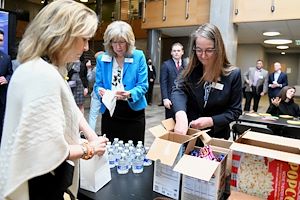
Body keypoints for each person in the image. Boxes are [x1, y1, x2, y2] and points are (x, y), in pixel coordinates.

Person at [0, 1, 108, 199]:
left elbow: (69, 106)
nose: (85, 47)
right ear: (63, 35)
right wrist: (89, 148)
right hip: (40, 184)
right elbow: (47, 150)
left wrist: (90, 133)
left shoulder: (45, 68)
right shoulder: (41, 74)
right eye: (83, 39)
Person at [172, 23, 242, 139]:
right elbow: (178, 90)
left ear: (218, 49)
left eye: (209, 50)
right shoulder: (189, 68)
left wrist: (211, 121)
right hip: (189, 134)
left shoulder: (233, 74)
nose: (203, 56)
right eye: (199, 50)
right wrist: (180, 114)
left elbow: (235, 111)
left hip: (216, 136)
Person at [94, 21, 148, 145]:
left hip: (133, 112)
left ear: (129, 42)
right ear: (109, 43)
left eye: (122, 42)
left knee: (133, 151)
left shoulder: (138, 56)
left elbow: (143, 85)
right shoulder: (102, 59)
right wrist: (100, 92)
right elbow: (98, 85)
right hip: (110, 111)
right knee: (111, 151)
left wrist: (129, 94)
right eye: (114, 42)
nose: (118, 47)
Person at [160, 42, 185, 119]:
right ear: (171, 52)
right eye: (174, 51)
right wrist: (165, 98)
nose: (176, 53)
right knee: (170, 122)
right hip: (170, 99)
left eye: (178, 50)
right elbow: (163, 82)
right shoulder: (166, 65)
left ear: (182, 52)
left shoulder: (187, 64)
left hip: (184, 98)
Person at [0, 30, 13, 143]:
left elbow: (10, 73)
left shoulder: (6, 58)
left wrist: (6, 79)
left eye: (1, 40)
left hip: (1, 96)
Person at [87, 51, 104, 131]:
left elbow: (90, 79)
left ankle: (91, 134)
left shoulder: (96, 68)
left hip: (97, 94)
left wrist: (89, 69)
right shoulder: (111, 67)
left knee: (93, 116)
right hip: (108, 93)